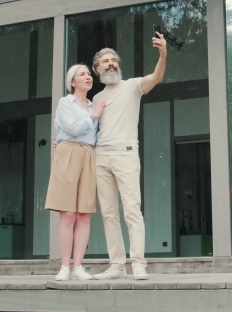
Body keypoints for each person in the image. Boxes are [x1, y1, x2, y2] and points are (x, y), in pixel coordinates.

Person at [90, 31, 167, 281]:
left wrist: (163, 54)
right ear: (97, 68)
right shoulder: (97, 97)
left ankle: (138, 263)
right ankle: (117, 264)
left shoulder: (133, 85)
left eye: (114, 60)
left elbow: (156, 77)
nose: (112, 63)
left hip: (125, 155)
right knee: (108, 213)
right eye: (106, 61)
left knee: (132, 210)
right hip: (101, 157)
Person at [44, 64, 105, 281]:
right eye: (82, 74)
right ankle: (64, 266)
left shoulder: (92, 104)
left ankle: (78, 265)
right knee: (68, 214)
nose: (88, 77)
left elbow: (92, 135)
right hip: (68, 152)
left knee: (84, 214)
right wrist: (94, 117)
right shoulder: (65, 102)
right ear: (72, 82)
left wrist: (93, 114)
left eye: (89, 74)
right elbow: (73, 128)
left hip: (89, 154)